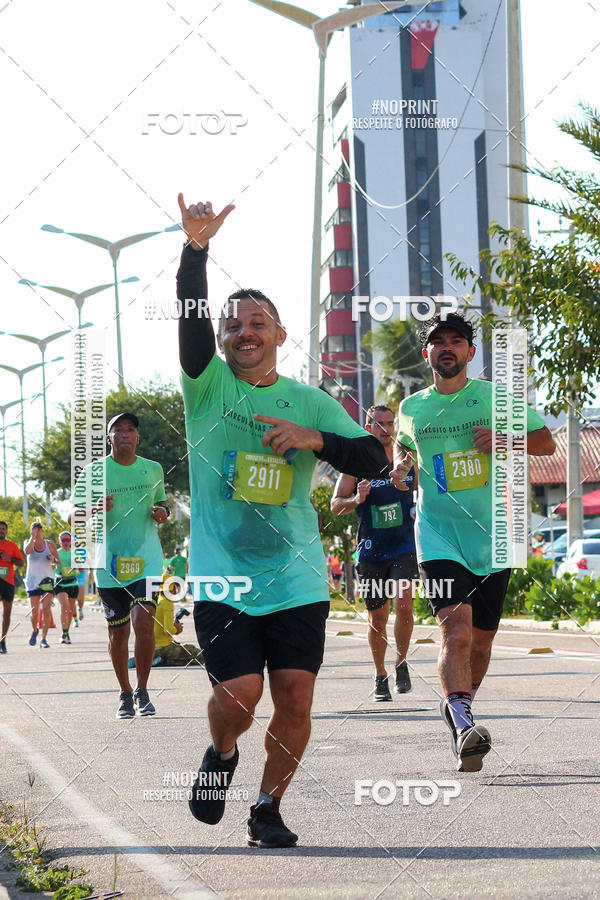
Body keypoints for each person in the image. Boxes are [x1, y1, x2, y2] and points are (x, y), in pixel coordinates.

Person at [176, 193, 388, 848]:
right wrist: (195, 251)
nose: (246, 331)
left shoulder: (310, 402)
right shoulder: (206, 386)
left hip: (296, 578)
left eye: (258, 322)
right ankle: (223, 754)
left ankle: (267, 806)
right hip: (223, 577)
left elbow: (377, 458)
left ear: (280, 335)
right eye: (235, 324)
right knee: (238, 696)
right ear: (221, 339)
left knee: (295, 699)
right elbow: (188, 320)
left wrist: (316, 440)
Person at [391, 312, 556, 772]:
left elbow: (546, 442)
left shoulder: (494, 397)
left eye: (456, 341)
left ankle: (462, 707)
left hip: (493, 537)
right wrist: (401, 468)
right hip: (438, 535)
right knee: (455, 631)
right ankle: (463, 725)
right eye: (437, 342)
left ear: (470, 352)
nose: (447, 348)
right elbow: (404, 450)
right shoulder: (412, 407)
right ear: (426, 354)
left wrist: (506, 440)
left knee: (481, 645)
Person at [71, 412, 170, 718]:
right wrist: (95, 507)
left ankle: (142, 689)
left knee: (143, 620)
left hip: (146, 559)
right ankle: (125, 693)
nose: (125, 434)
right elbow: (73, 516)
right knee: (118, 633)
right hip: (108, 563)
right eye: (119, 430)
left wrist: (162, 513)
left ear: (137, 437)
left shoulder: (153, 469)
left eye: (130, 429)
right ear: (109, 438)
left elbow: (162, 503)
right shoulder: (94, 472)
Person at [331, 405, 418, 700]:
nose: (386, 429)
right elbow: (335, 505)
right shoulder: (356, 463)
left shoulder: (407, 461)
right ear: (368, 427)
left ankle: (402, 663)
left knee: (405, 607)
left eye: (390, 424)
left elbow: (427, 497)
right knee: (377, 618)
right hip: (371, 551)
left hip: (403, 547)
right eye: (379, 424)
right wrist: (357, 498)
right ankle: (381, 675)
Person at [24, 522, 60, 649]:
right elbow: (27, 551)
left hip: (47, 581)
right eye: (34, 530)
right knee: (34, 612)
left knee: (46, 609)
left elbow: (58, 560)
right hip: (33, 581)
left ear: (42, 531)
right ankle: (35, 631)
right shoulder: (28, 542)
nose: (37, 533)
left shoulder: (49, 544)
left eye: (39, 530)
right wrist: (32, 539)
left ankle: (44, 639)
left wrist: (53, 559)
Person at [0, 521, 25, 653]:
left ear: (7, 531)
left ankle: (2, 641)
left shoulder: (12, 545)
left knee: (6, 614)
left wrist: (10, 558)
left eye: (4, 529)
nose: (1, 531)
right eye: (0, 529)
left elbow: (21, 563)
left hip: (8, 582)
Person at [54, 531, 80, 645]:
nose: (65, 542)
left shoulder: (75, 553)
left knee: (69, 610)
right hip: (60, 583)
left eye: (67, 540)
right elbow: (53, 566)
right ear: (59, 541)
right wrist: (54, 566)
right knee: (64, 607)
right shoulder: (56, 552)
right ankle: (64, 632)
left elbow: (80, 569)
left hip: (72, 583)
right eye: (63, 540)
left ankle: (66, 632)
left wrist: (77, 568)